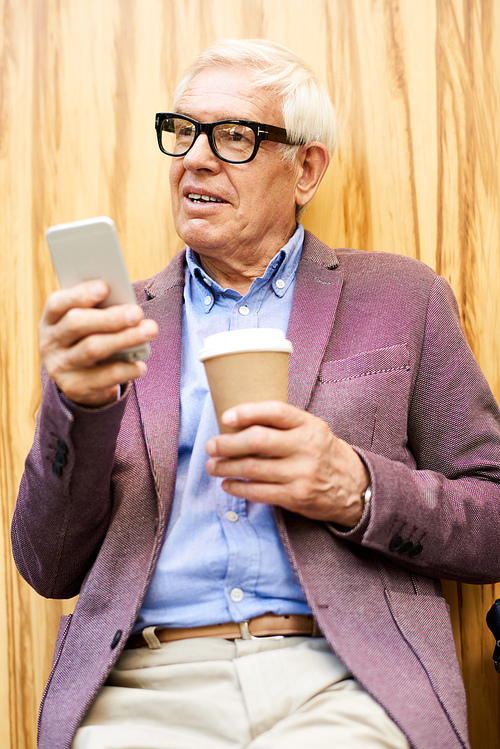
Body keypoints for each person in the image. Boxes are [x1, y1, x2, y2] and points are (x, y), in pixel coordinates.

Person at [12, 39, 500, 749]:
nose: (194, 159)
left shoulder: (404, 297)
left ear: (305, 167)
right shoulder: (115, 324)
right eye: (182, 132)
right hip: (146, 686)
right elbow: (46, 565)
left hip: (344, 680)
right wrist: (78, 409)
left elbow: (493, 519)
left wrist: (357, 489)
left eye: (233, 136)